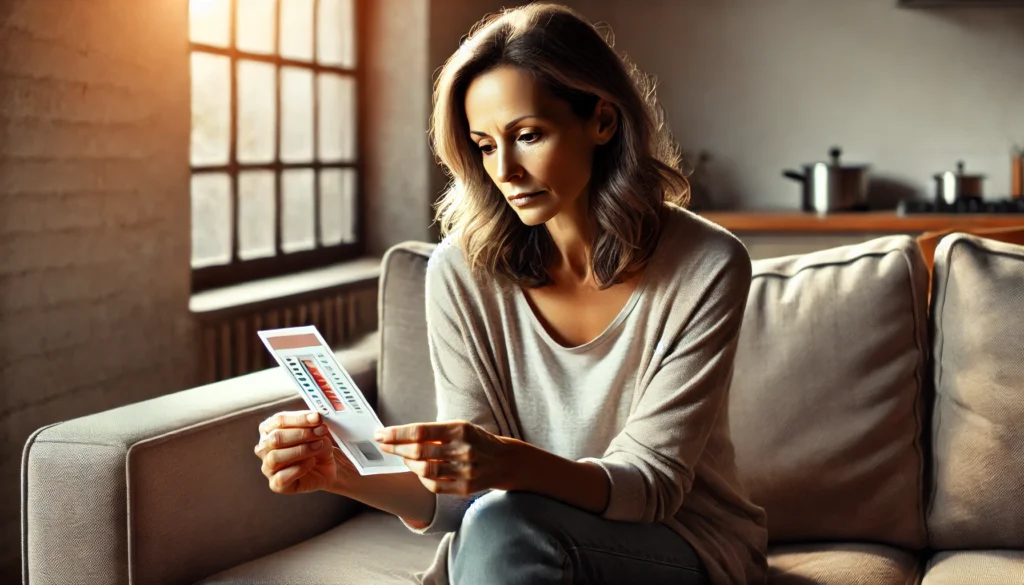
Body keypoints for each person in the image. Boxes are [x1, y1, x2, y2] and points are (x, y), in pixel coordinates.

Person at [252, 4, 768, 584]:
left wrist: (509, 464)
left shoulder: (707, 264)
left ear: (602, 120)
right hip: (512, 538)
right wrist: (341, 474)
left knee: (502, 523)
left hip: (681, 544)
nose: (506, 170)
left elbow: (651, 485)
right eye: (485, 145)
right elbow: (460, 499)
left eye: (527, 136)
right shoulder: (460, 272)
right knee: (499, 522)